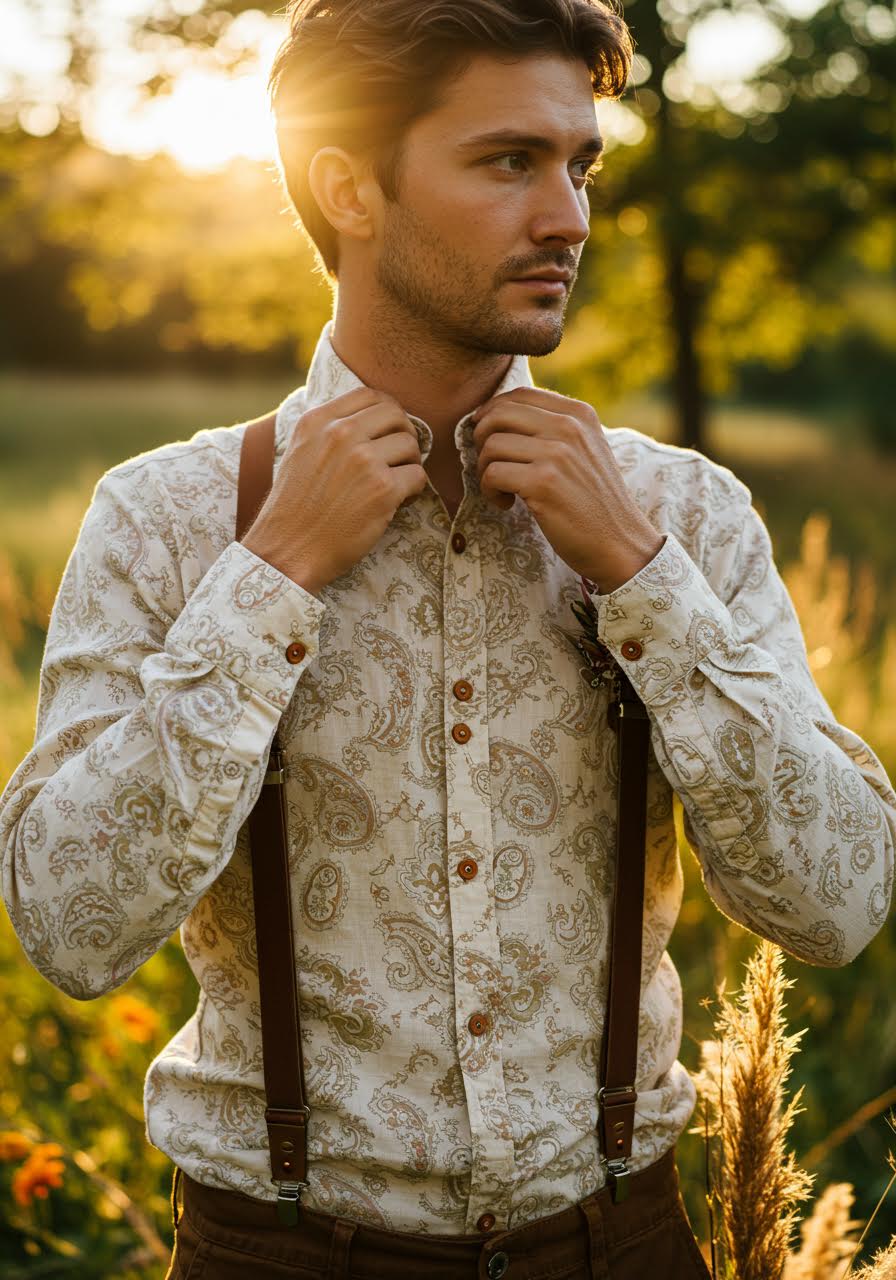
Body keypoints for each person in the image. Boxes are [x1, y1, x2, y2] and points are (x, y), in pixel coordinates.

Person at [2, 0, 894, 1276]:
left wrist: (642, 578)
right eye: (507, 161)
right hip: (278, 1255)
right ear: (347, 188)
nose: (567, 217)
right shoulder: (169, 518)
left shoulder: (682, 514)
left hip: (619, 1245)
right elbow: (68, 926)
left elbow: (836, 902)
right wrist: (270, 574)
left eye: (579, 166)